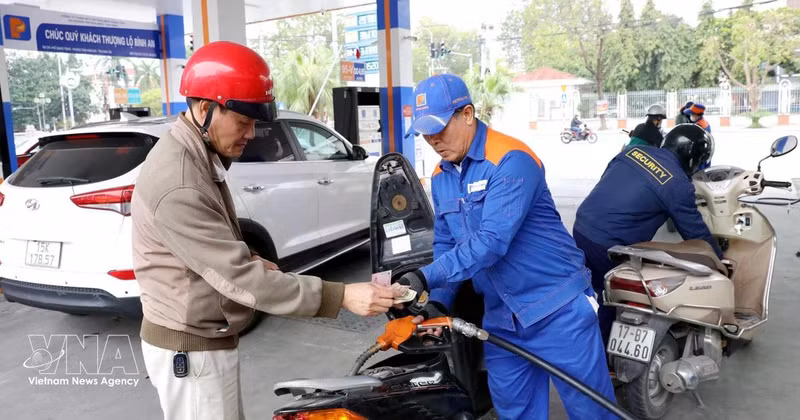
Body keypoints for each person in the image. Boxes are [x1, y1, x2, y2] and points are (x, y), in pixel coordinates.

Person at [132, 41, 402, 420]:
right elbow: (243, 280)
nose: (251, 134)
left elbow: (209, 249)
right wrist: (342, 296)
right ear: (206, 108)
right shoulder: (179, 181)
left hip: (202, 341)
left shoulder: (194, 154)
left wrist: (254, 259)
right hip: (191, 353)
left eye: (254, 123)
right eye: (242, 123)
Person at [397, 73, 616, 419]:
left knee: (593, 412)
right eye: (425, 131)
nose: (433, 139)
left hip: (558, 308)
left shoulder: (512, 159)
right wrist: (439, 300)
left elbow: (491, 242)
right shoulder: (441, 177)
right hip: (501, 318)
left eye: (439, 126)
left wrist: (423, 277)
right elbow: (448, 242)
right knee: (516, 413)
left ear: (467, 114)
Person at [573, 123, 721, 345]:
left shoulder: (632, 152)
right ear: (695, 158)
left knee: (597, 289)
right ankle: (604, 358)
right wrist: (719, 258)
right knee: (616, 300)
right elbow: (695, 232)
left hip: (582, 227)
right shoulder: (677, 183)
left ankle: (586, 338)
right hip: (611, 246)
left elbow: (607, 181)